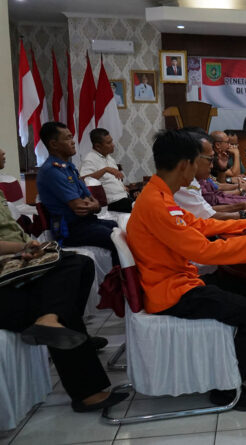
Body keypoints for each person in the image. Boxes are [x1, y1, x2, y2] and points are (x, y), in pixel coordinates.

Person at [127, 129, 246, 411]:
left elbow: (201, 225)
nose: (208, 166)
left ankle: (227, 361)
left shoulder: (162, 195)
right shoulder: (157, 204)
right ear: (184, 164)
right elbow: (202, 250)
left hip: (178, 281)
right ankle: (229, 388)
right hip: (172, 293)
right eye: (199, 160)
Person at [0, 147, 125, 413]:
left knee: (78, 263)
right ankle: (86, 390)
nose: (2, 151)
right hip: (7, 274)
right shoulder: (53, 171)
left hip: (16, 263)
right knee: (59, 288)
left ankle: (52, 320)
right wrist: (22, 249)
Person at [37, 122, 119, 264]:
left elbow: (92, 201)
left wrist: (94, 205)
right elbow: (79, 206)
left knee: (120, 228)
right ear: (54, 144)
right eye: (68, 138)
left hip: (86, 222)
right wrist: (93, 205)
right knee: (116, 239)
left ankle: (127, 278)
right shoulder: (52, 171)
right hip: (69, 229)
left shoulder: (69, 168)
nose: (73, 142)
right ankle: (120, 282)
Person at [174, 132, 246, 220]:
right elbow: (212, 202)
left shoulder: (193, 178)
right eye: (228, 142)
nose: (212, 164)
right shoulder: (184, 184)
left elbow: (216, 189)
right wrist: (244, 198)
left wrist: (245, 202)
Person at [79, 128, 134, 213]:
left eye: (111, 141)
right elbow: (82, 180)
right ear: (97, 146)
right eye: (109, 143)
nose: (113, 145)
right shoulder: (90, 159)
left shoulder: (109, 158)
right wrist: (105, 170)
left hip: (124, 197)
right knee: (143, 207)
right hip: (112, 203)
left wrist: (122, 187)